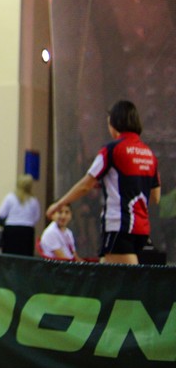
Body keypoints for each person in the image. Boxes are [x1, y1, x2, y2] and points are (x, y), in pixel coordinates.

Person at [47, 100, 160, 264]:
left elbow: (85, 185)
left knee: (127, 277)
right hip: (141, 229)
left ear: (115, 124)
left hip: (118, 226)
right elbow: (155, 197)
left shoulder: (111, 150)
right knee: (106, 270)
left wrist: (59, 204)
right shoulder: (149, 154)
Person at [0, 174, 41, 256]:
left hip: (11, 229)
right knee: (25, 255)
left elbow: (1, 213)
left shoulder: (10, 198)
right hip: (27, 230)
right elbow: (36, 217)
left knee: (9, 255)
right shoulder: (33, 200)